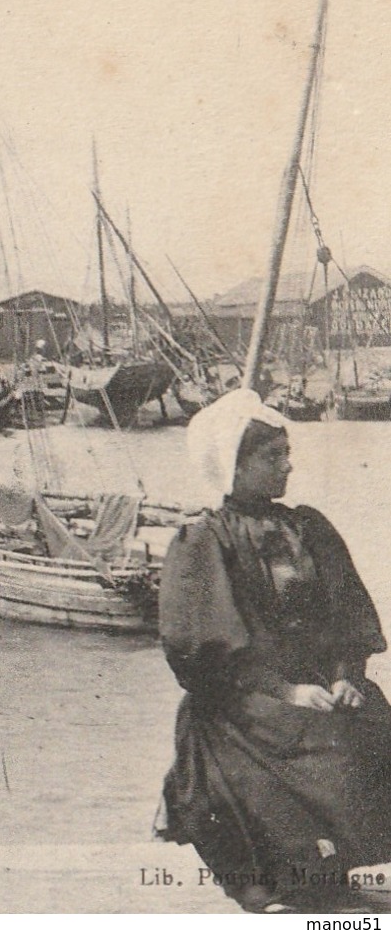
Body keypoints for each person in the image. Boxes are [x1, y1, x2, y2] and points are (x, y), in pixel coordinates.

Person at [156, 389, 391, 912]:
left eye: (287, 454)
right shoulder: (204, 541)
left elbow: (347, 617)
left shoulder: (307, 527)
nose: (288, 467)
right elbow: (204, 650)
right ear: (232, 468)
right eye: (272, 457)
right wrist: (287, 690)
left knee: (369, 721)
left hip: (321, 685)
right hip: (243, 698)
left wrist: (345, 676)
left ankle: (335, 877)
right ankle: (290, 886)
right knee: (306, 738)